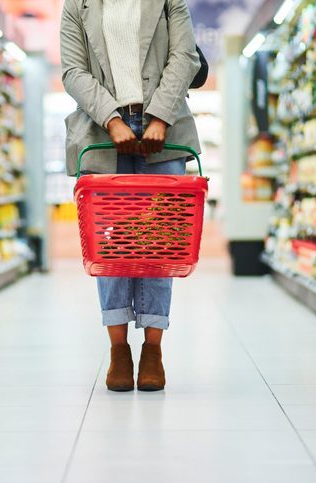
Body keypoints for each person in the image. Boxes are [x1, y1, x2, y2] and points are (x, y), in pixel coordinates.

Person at [61, 0, 201, 392]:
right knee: (111, 247)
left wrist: (159, 116)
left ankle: (153, 348)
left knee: (160, 244)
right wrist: (111, 118)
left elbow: (185, 56)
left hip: (165, 131)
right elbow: (73, 71)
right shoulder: (78, 5)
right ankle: (119, 349)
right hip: (101, 133)